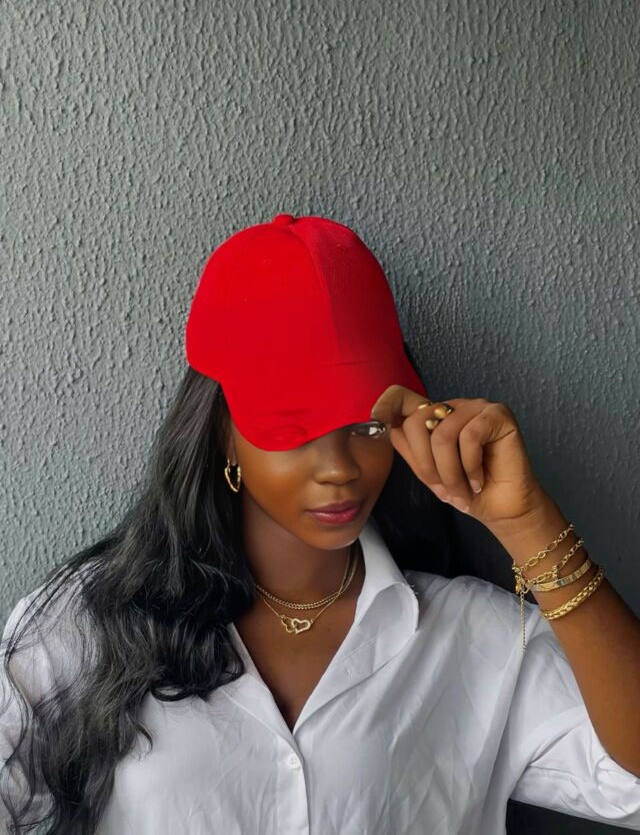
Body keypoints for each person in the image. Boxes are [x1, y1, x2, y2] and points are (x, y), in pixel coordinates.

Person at [1, 213, 639, 835]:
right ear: (221, 431)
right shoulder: (82, 626)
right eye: (292, 426)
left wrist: (528, 521)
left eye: (365, 424)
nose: (339, 468)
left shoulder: (480, 640)